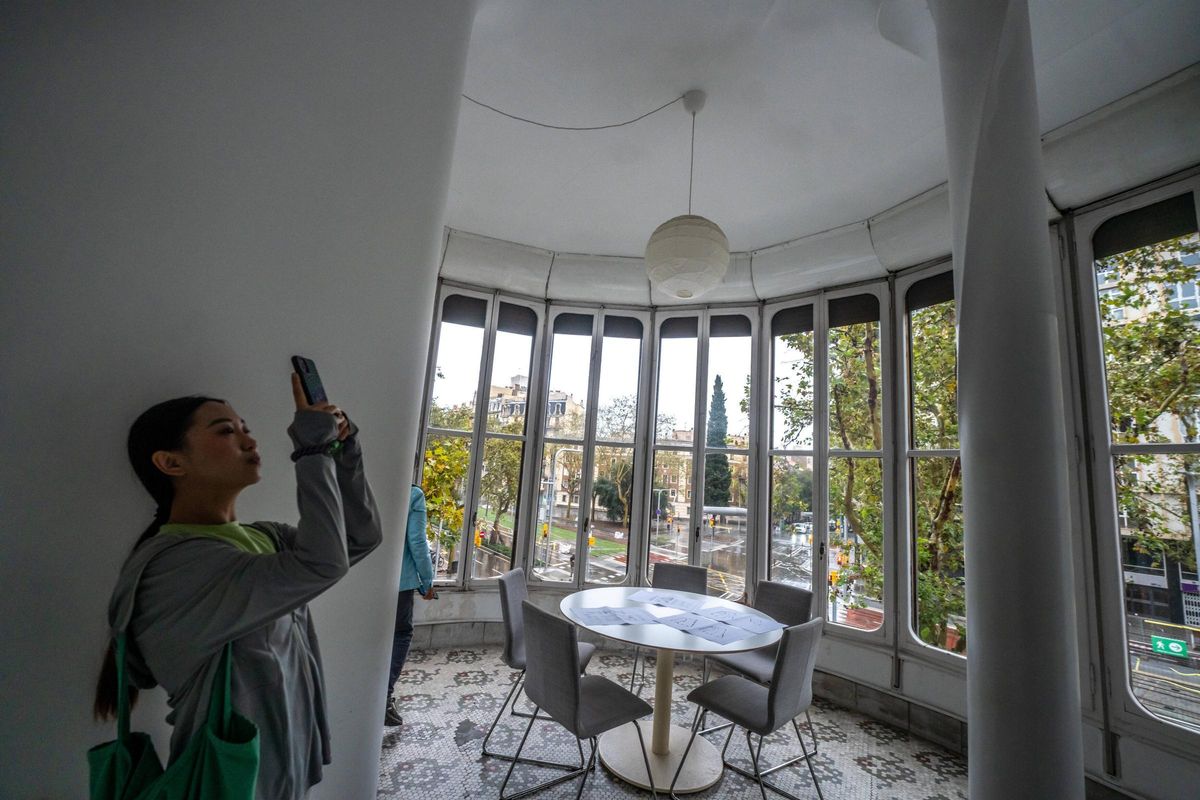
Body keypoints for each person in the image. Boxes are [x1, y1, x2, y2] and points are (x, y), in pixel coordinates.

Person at [93, 375, 382, 800]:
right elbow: (324, 564)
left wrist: (343, 450)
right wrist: (311, 450)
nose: (249, 440)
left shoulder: (262, 538)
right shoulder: (174, 566)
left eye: (245, 428)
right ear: (171, 463)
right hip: (234, 783)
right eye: (227, 431)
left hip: (282, 772)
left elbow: (358, 538)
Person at [385, 483, 436, 726]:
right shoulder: (412, 494)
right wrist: (427, 582)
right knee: (401, 633)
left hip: (361, 579)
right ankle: (384, 698)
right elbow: (417, 541)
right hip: (399, 583)